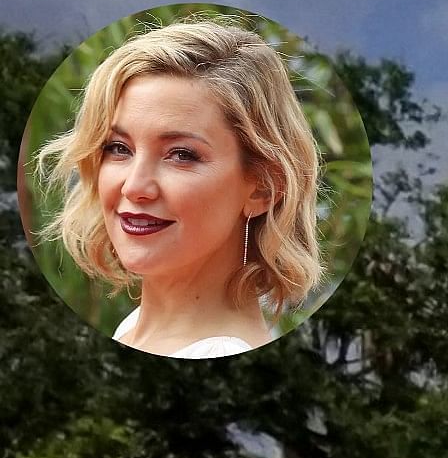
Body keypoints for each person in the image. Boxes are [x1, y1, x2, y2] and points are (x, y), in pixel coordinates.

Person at [29, 18, 322, 359]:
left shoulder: (218, 352)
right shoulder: (132, 328)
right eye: (118, 148)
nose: (135, 186)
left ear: (263, 189)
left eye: (181, 155)